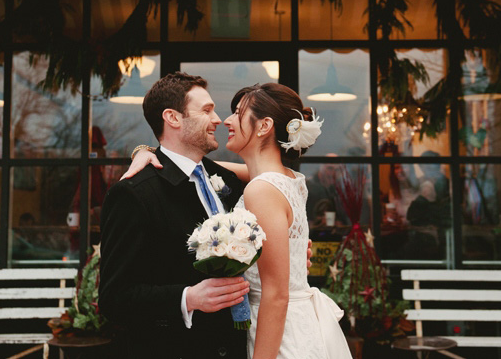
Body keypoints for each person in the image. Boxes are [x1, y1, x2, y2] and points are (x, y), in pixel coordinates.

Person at [122, 79, 349, 359]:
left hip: (278, 335)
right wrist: (146, 151)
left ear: (264, 126)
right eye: (210, 110)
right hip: (294, 324)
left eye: (238, 113)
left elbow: (276, 295)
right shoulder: (287, 178)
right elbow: (197, 168)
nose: (224, 120)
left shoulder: (261, 188)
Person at [99, 72, 251, 359]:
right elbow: (114, 298)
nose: (218, 119)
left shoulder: (227, 179)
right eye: (206, 110)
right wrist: (187, 298)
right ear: (173, 117)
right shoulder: (134, 194)